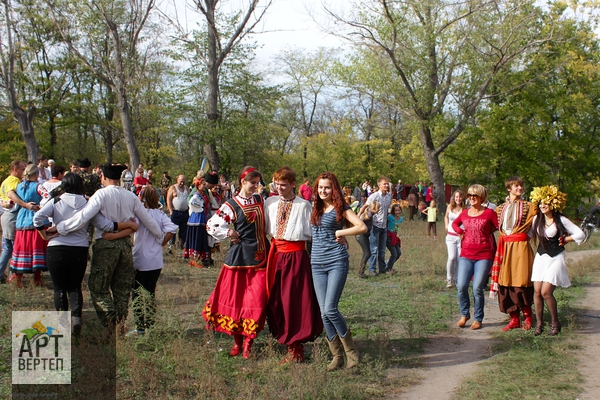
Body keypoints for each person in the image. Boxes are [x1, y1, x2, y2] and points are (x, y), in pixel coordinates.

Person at [49, 163, 164, 332]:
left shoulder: (100, 194)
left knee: (98, 287)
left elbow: (83, 217)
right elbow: (147, 219)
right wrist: (159, 236)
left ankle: (111, 323)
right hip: (125, 245)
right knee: (121, 288)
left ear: (103, 177)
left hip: (106, 244)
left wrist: (60, 228)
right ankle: (120, 322)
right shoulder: (130, 196)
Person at [33, 173, 137, 335]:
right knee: (75, 287)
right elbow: (105, 225)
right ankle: (76, 318)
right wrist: (127, 226)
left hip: (57, 248)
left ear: (64, 185)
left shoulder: (55, 201)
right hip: (79, 249)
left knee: (59, 288)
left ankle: (62, 323)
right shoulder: (88, 203)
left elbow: (37, 218)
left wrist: (45, 235)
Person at [202, 166, 270, 359]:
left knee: (255, 300)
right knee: (237, 300)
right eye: (253, 183)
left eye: (258, 183)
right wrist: (228, 232)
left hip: (261, 256)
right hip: (239, 258)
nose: (256, 186)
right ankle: (237, 341)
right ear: (243, 182)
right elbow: (211, 225)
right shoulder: (231, 204)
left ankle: (249, 342)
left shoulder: (260, 200)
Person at [264, 166, 323, 363]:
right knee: (276, 299)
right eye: (276, 184)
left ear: (292, 184)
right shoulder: (269, 203)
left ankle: (296, 347)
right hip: (275, 256)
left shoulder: (303, 205)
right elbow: (262, 228)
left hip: (296, 257)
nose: (279, 188)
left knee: (294, 301)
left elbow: (313, 233)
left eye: (283, 185)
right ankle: (283, 336)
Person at [310, 172, 366, 370]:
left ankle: (351, 353)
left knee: (330, 309)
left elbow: (361, 226)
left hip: (336, 261)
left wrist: (341, 232)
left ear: (334, 189)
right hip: (316, 263)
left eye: (327, 187)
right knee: (323, 313)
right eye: (320, 187)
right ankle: (336, 356)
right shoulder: (314, 207)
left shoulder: (341, 208)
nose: (323, 191)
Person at [103, 186, 176, 335]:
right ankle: (149, 324)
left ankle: (139, 326)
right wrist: (163, 242)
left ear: (142, 198)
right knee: (150, 293)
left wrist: (114, 236)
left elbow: (131, 228)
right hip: (156, 261)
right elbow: (172, 228)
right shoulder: (160, 215)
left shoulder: (139, 215)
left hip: (141, 260)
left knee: (136, 293)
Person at [529, 186, 585, 336]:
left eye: (546, 202)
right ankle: (539, 324)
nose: (542, 205)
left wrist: (567, 239)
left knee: (546, 292)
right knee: (536, 292)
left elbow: (581, 234)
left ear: (553, 203)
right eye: (540, 203)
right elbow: (526, 234)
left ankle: (555, 322)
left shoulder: (561, 220)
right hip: (541, 257)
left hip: (556, 258)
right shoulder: (536, 219)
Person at [490, 176, 537, 331]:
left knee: (521, 281)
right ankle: (514, 318)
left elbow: (536, 223)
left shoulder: (529, 206)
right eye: (516, 186)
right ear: (509, 189)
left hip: (520, 247)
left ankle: (528, 316)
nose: (520, 188)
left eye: (521, 186)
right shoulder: (499, 208)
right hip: (504, 247)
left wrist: (526, 236)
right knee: (505, 282)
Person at [452, 184, 499, 330]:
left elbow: (497, 226)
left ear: (482, 197)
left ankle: (478, 318)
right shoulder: (465, 213)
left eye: (475, 196)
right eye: (470, 195)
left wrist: (488, 232)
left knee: (477, 288)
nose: (471, 198)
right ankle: (465, 314)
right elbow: (454, 223)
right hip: (466, 255)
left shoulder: (489, 213)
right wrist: (460, 231)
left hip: (484, 256)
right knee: (461, 286)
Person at [9, 164, 46, 287]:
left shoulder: (19, 186)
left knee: (21, 248)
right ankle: (37, 278)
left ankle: (17, 277)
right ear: (36, 174)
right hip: (36, 219)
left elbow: (10, 200)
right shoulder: (39, 186)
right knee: (36, 248)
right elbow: (47, 197)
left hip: (22, 220)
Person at [358, 176, 392, 276]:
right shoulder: (374, 196)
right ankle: (371, 269)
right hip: (375, 225)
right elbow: (365, 206)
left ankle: (382, 268)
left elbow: (387, 210)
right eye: (384, 184)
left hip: (384, 226)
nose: (386, 185)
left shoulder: (389, 196)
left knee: (382, 249)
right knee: (374, 249)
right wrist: (358, 217)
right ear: (379, 185)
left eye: (387, 183)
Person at [0, 160, 26, 284]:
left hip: (5, 216)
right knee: (15, 247)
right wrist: (25, 204)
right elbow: (11, 194)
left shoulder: (5, 181)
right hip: (12, 217)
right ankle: (13, 274)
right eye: (22, 169)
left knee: (8, 248)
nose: (23, 172)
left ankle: (5, 273)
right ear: (15, 169)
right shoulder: (14, 181)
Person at [184, 177, 215, 267]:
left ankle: (202, 258)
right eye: (203, 184)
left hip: (202, 218)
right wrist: (200, 208)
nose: (205, 186)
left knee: (202, 238)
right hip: (196, 219)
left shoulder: (204, 193)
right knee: (196, 238)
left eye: (205, 184)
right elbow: (191, 203)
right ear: (198, 185)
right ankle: (195, 259)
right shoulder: (196, 194)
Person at [444, 189, 465, 288]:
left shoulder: (465, 209)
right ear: (454, 197)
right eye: (457, 197)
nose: (458, 199)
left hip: (461, 237)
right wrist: (447, 225)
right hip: (451, 236)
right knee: (452, 258)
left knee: (459, 258)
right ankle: (449, 279)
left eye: (460, 197)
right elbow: (446, 217)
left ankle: (457, 279)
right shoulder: (450, 207)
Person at [356, 204, 373, 278]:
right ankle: (361, 272)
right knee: (367, 253)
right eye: (378, 208)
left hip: (364, 235)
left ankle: (361, 271)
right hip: (361, 235)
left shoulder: (371, 214)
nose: (379, 210)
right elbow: (359, 221)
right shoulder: (369, 215)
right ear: (374, 208)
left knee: (367, 253)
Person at [386, 203, 403, 274]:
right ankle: (388, 269)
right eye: (396, 211)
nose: (397, 212)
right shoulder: (389, 217)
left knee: (398, 253)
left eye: (399, 210)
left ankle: (387, 264)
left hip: (394, 237)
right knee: (394, 254)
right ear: (393, 211)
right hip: (388, 237)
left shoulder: (401, 219)